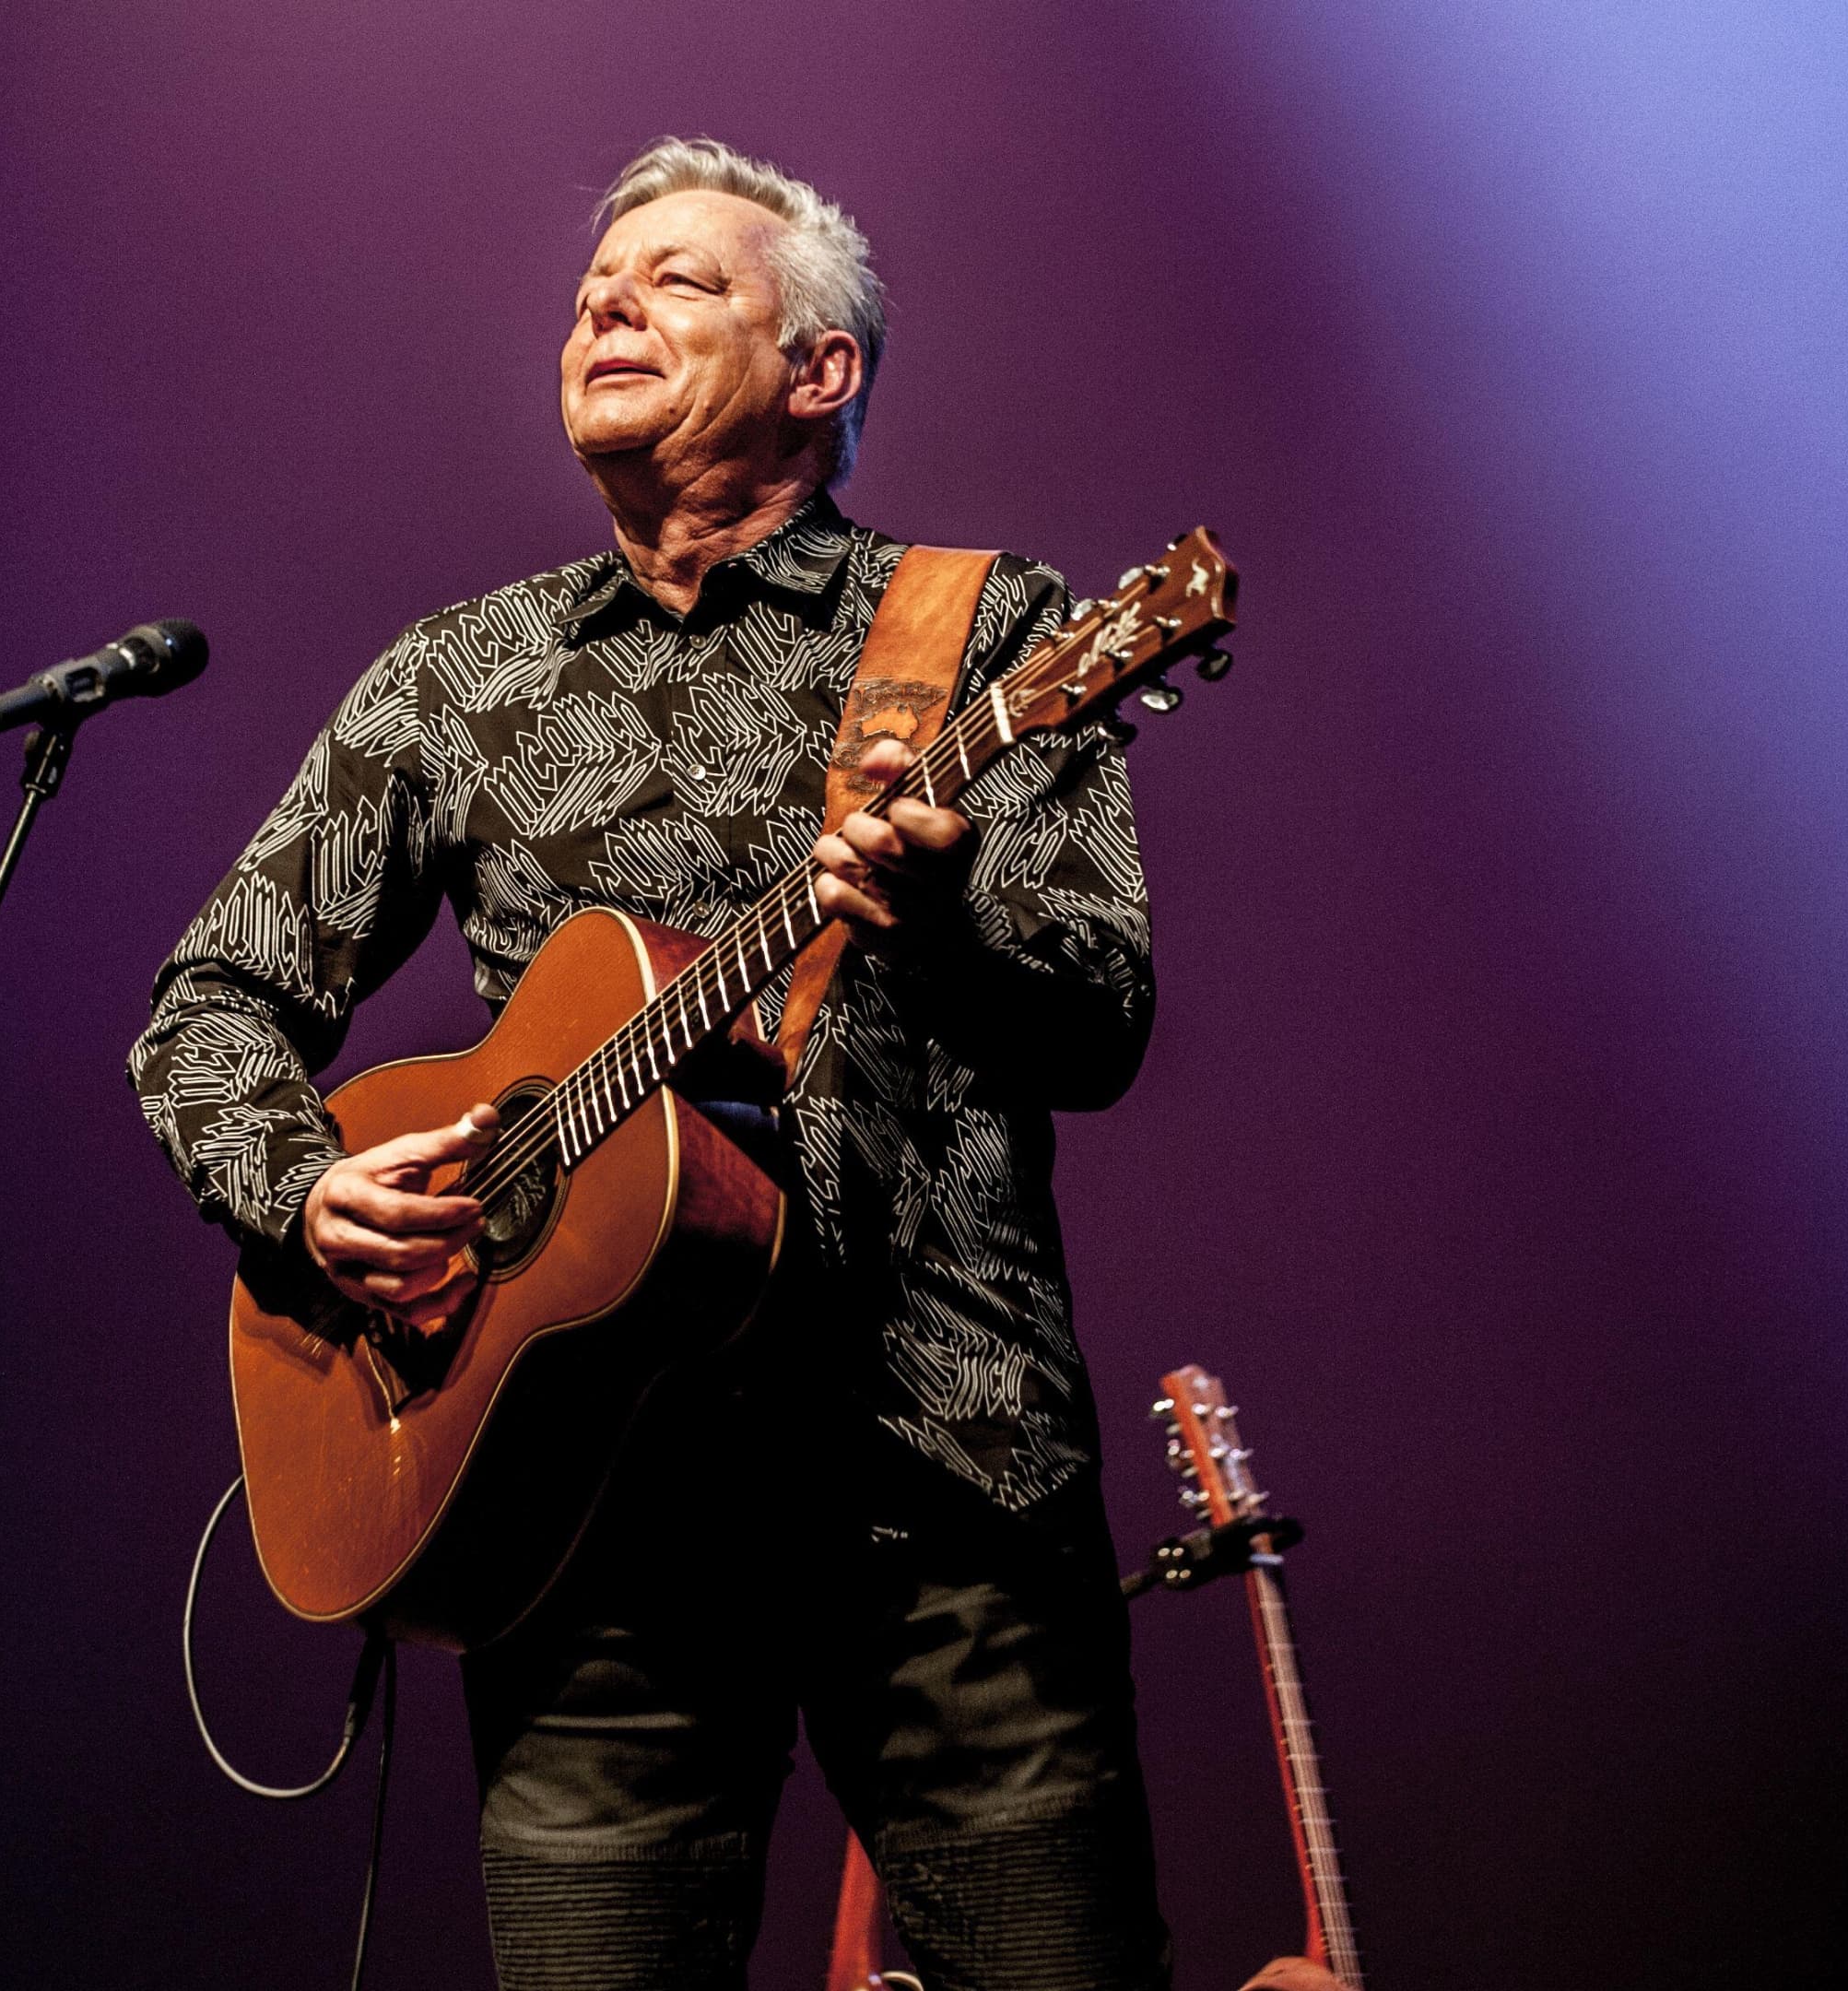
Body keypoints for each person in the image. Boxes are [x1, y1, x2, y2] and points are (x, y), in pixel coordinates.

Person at [131, 137, 1166, 1990]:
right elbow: (213, 1003)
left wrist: (939, 923)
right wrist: (307, 1190)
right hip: (575, 1510)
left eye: (679, 280)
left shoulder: (993, 627)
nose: (605, 302)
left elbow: (1098, 1016)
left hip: (943, 1481)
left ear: (820, 369)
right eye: (592, 290)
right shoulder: (461, 676)